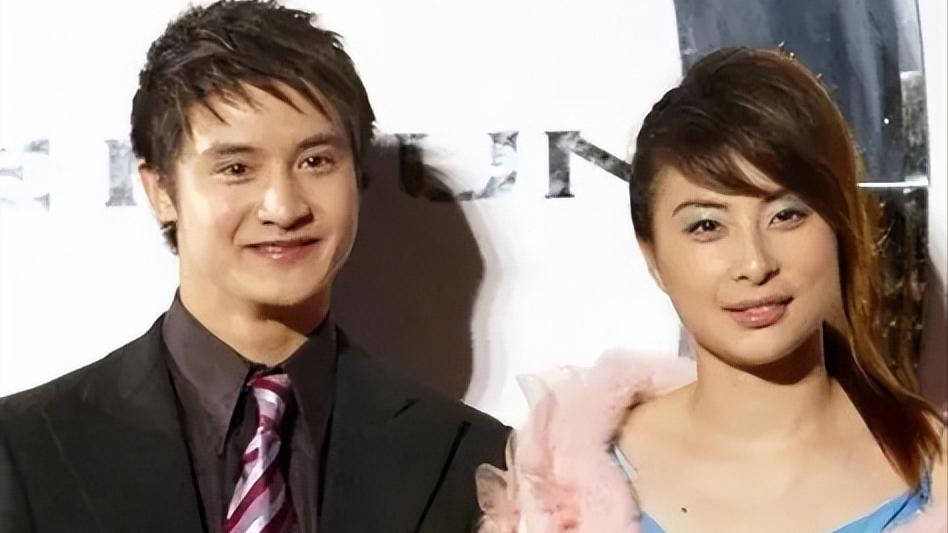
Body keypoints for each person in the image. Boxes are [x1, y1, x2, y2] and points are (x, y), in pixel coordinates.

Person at [0, 2, 508, 532]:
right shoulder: (22, 453)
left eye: (316, 161)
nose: (284, 208)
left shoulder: (478, 462)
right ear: (160, 190)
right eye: (237, 168)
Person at [475, 47, 946, 532]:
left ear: (840, 226)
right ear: (652, 254)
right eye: (706, 226)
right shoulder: (562, 488)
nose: (754, 264)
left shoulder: (937, 472)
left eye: (786, 215)